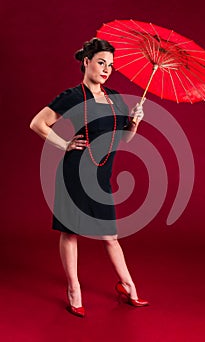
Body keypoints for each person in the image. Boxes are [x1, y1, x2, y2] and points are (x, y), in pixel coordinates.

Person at [30, 38, 149, 317]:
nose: (107, 69)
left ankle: (129, 288)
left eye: (111, 65)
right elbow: (38, 123)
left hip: (102, 174)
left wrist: (134, 122)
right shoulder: (73, 96)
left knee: (110, 236)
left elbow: (123, 140)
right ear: (86, 62)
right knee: (70, 232)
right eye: (101, 62)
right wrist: (65, 144)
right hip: (75, 173)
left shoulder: (116, 97)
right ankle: (74, 290)